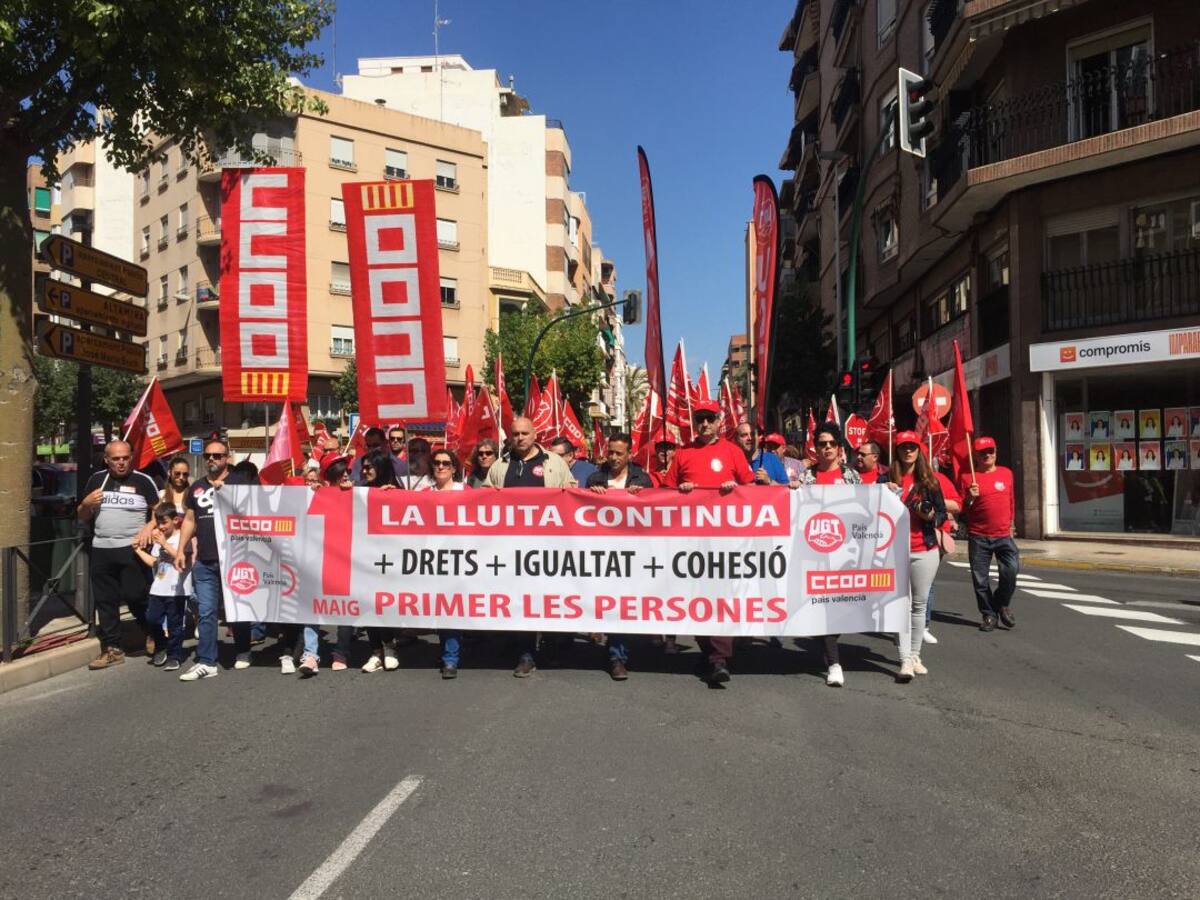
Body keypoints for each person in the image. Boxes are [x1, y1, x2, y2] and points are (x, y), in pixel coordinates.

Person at [663, 400, 755, 685]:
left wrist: (736, 489)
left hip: (725, 540)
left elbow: (751, 489)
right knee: (697, 597)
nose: (704, 424)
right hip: (690, 541)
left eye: (709, 419)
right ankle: (710, 652)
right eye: (700, 419)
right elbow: (664, 493)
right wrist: (681, 491)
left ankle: (718, 658)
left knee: (720, 595)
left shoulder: (733, 451)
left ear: (719, 421)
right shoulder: (683, 453)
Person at [486, 416, 576, 676]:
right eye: (515, 434)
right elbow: (484, 500)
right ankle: (526, 654)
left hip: (550, 546)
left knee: (551, 599)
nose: (520, 438)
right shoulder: (501, 465)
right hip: (513, 548)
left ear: (535, 434)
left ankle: (554, 647)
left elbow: (571, 493)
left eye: (525, 433)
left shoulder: (554, 463)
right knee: (523, 601)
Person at [173, 438, 257, 681]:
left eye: (217, 456)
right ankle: (207, 660)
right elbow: (189, 519)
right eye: (208, 455)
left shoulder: (240, 481)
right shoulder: (196, 487)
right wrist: (181, 549)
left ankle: (243, 650)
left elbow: (259, 509)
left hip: (236, 558)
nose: (211, 459)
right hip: (205, 559)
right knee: (207, 611)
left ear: (227, 458)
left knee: (237, 608)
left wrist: (229, 493)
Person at [78, 440, 159, 669]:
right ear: (107, 460)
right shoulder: (97, 480)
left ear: (131, 457)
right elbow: (82, 515)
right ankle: (112, 649)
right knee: (105, 601)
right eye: (116, 459)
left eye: (125, 458)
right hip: (102, 548)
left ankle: (152, 631)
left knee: (136, 596)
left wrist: (147, 528)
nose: (121, 462)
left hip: (132, 549)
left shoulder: (144, 481)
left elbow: (159, 511)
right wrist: (85, 503)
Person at [586, 432, 654, 681]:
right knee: (606, 602)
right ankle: (610, 647)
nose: (613, 457)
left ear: (629, 455)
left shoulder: (642, 479)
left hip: (632, 555)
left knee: (622, 605)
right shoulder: (595, 477)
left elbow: (654, 515)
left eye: (618, 453)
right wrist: (591, 494)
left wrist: (642, 497)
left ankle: (617, 657)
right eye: (610, 452)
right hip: (601, 553)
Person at [799, 423, 862, 686]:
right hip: (813, 551)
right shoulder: (807, 477)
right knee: (823, 606)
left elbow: (865, 507)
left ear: (839, 448)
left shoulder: (851, 476)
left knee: (837, 606)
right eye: (821, 443)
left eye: (831, 444)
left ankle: (828, 650)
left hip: (844, 551)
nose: (826, 448)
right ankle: (834, 662)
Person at [890, 431, 946, 682]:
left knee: (919, 605)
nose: (908, 451)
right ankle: (904, 660)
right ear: (897, 451)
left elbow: (943, 514)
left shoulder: (930, 482)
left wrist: (931, 515)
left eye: (912, 447)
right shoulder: (887, 478)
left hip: (924, 549)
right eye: (903, 447)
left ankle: (914, 655)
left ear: (918, 450)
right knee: (901, 606)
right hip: (893, 551)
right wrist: (883, 489)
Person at [960, 436, 1019, 633]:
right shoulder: (968, 477)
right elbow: (962, 508)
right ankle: (989, 614)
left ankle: (1002, 603)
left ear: (995, 452)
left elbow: (1011, 500)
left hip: (1003, 535)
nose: (987, 455)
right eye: (982, 452)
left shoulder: (1006, 473)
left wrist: (1011, 524)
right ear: (975, 456)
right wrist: (970, 497)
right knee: (980, 579)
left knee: (1010, 571)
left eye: (990, 451)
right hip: (979, 536)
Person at [423, 448, 469, 679]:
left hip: (460, 559)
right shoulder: (424, 492)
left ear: (454, 467)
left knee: (450, 608)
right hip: (431, 560)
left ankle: (451, 658)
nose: (441, 467)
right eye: (437, 463)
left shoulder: (465, 491)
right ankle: (446, 651)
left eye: (446, 463)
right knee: (439, 608)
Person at [357, 450, 402, 673]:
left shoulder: (397, 490)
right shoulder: (360, 491)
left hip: (390, 560)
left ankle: (390, 647)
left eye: (369, 467)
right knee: (368, 605)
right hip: (365, 559)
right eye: (363, 467)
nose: (364, 471)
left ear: (381, 467)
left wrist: (392, 497)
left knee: (385, 605)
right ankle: (375, 652)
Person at [134, 502, 193, 671]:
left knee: (175, 624)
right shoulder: (160, 539)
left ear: (175, 520)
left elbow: (181, 559)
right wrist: (139, 551)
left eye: (164, 522)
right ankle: (161, 647)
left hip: (177, 589)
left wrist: (165, 544)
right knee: (151, 618)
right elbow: (155, 562)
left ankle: (175, 655)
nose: (161, 527)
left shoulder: (182, 537)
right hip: (158, 587)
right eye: (158, 523)